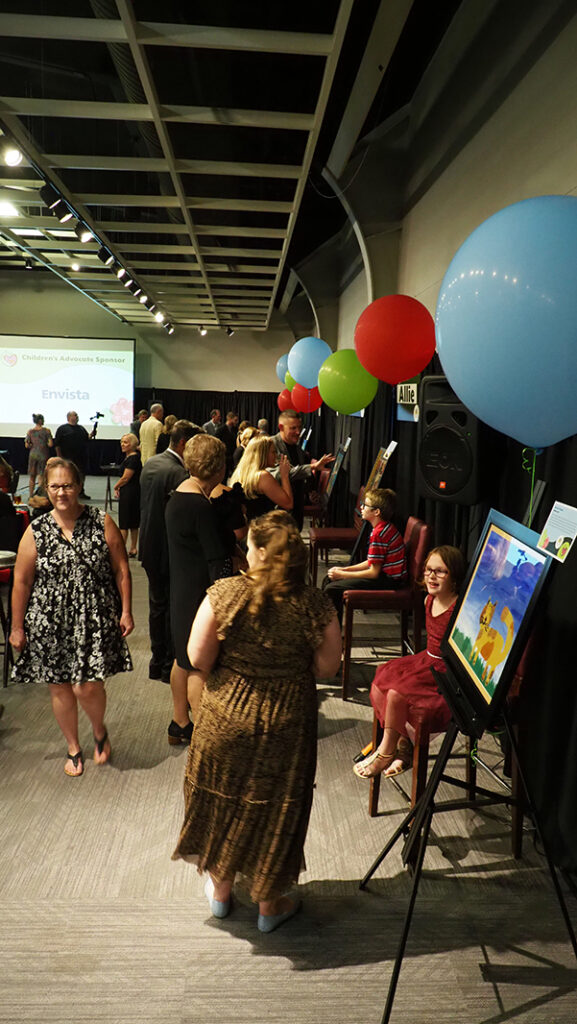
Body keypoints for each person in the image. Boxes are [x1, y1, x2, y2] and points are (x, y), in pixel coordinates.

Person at [172, 510, 341, 931]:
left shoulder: (224, 594)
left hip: (225, 717)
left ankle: (222, 893)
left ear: (261, 552)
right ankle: (269, 905)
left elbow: (198, 658)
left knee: (221, 800)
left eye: (248, 544)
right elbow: (327, 667)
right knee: (277, 808)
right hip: (287, 724)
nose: (244, 550)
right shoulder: (315, 604)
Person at [9, 457, 133, 777]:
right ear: (45, 488)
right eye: (54, 486)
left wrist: (127, 609)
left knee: (87, 687)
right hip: (48, 620)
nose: (61, 492)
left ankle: (99, 729)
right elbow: (21, 582)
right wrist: (17, 626)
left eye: (67, 485)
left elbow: (121, 569)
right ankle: (74, 747)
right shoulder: (36, 530)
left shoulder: (101, 520)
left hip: (92, 616)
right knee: (60, 687)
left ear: (78, 486)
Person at [353, 545, 466, 780]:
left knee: (397, 693)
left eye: (441, 571)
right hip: (426, 659)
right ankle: (399, 743)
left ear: (454, 576)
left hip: (445, 669)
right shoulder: (428, 600)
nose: (432, 576)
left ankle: (386, 751)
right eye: (428, 570)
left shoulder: (458, 609)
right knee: (381, 678)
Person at [165, 434, 234, 746]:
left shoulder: (179, 495)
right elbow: (217, 561)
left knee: (182, 660)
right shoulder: (199, 506)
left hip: (182, 592)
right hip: (199, 598)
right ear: (219, 468)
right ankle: (206, 736)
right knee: (198, 668)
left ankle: (180, 722)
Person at [139, 420, 200, 684]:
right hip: (168, 549)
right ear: (184, 443)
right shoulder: (178, 473)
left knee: (156, 606)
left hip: (148, 545)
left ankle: (156, 661)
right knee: (170, 607)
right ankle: (167, 667)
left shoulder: (151, 463)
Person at [322, 488, 407, 621]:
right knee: (329, 579)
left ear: (376, 512)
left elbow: (373, 573)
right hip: (384, 577)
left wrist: (343, 575)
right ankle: (329, 630)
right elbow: (371, 561)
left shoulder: (379, 533)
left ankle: (332, 634)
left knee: (332, 589)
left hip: (388, 581)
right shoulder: (383, 528)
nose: (361, 507)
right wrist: (343, 569)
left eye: (365, 505)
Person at [270, 410, 333, 530]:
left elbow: (302, 473)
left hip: (297, 505)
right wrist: (312, 467)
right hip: (279, 509)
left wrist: (311, 491)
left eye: (299, 427)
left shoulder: (297, 448)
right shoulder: (271, 445)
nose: (298, 432)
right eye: (293, 428)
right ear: (281, 427)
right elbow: (284, 474)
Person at [230, 435, 293, 521]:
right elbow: (288, 504)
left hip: (250, 528)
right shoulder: (263, 476)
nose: (276, 455)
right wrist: (284, 476)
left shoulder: (241, 472)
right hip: (262, 529)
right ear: (263, 454)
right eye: (273, 452)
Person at [114, 433, 142, 557]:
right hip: (132, 492)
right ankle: (133, 548)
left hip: (129, 493)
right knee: (133, 522)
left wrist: (116, 486)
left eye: (125, 442)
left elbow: (126, 478)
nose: (122, 444)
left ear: (132, 444)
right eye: (121, 442)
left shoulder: (133, 459)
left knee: (125, 523)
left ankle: (121, 549)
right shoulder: (130, 457)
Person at [54, 411, 93, 497]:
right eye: (75, 415)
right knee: (69, 475)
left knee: (81, 475)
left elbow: (87, 438)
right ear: (69, 417)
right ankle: (68, 491)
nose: (77, 417)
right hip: (67, 456)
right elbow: (57, 444)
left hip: (81, 457)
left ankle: (80, 492)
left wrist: (91, 435)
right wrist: (59, 456)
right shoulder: (62, 428)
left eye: (77, 415)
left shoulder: (81, 428)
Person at [25, 413, 53, 498]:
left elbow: (26, 445)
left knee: (32, 476)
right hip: (43, 454)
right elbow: (50, 444)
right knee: (41, 475)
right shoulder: (46, 431)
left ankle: (30, 495)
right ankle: (39, 494)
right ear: (40, 421)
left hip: (33, 454)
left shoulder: (30, 431)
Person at [215, 411, 239, 477]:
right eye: (235, 420)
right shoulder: (220, 430)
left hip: (232, 458)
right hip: (224, 458)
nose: (236, 422)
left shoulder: (236, 429)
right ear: (230, 419)